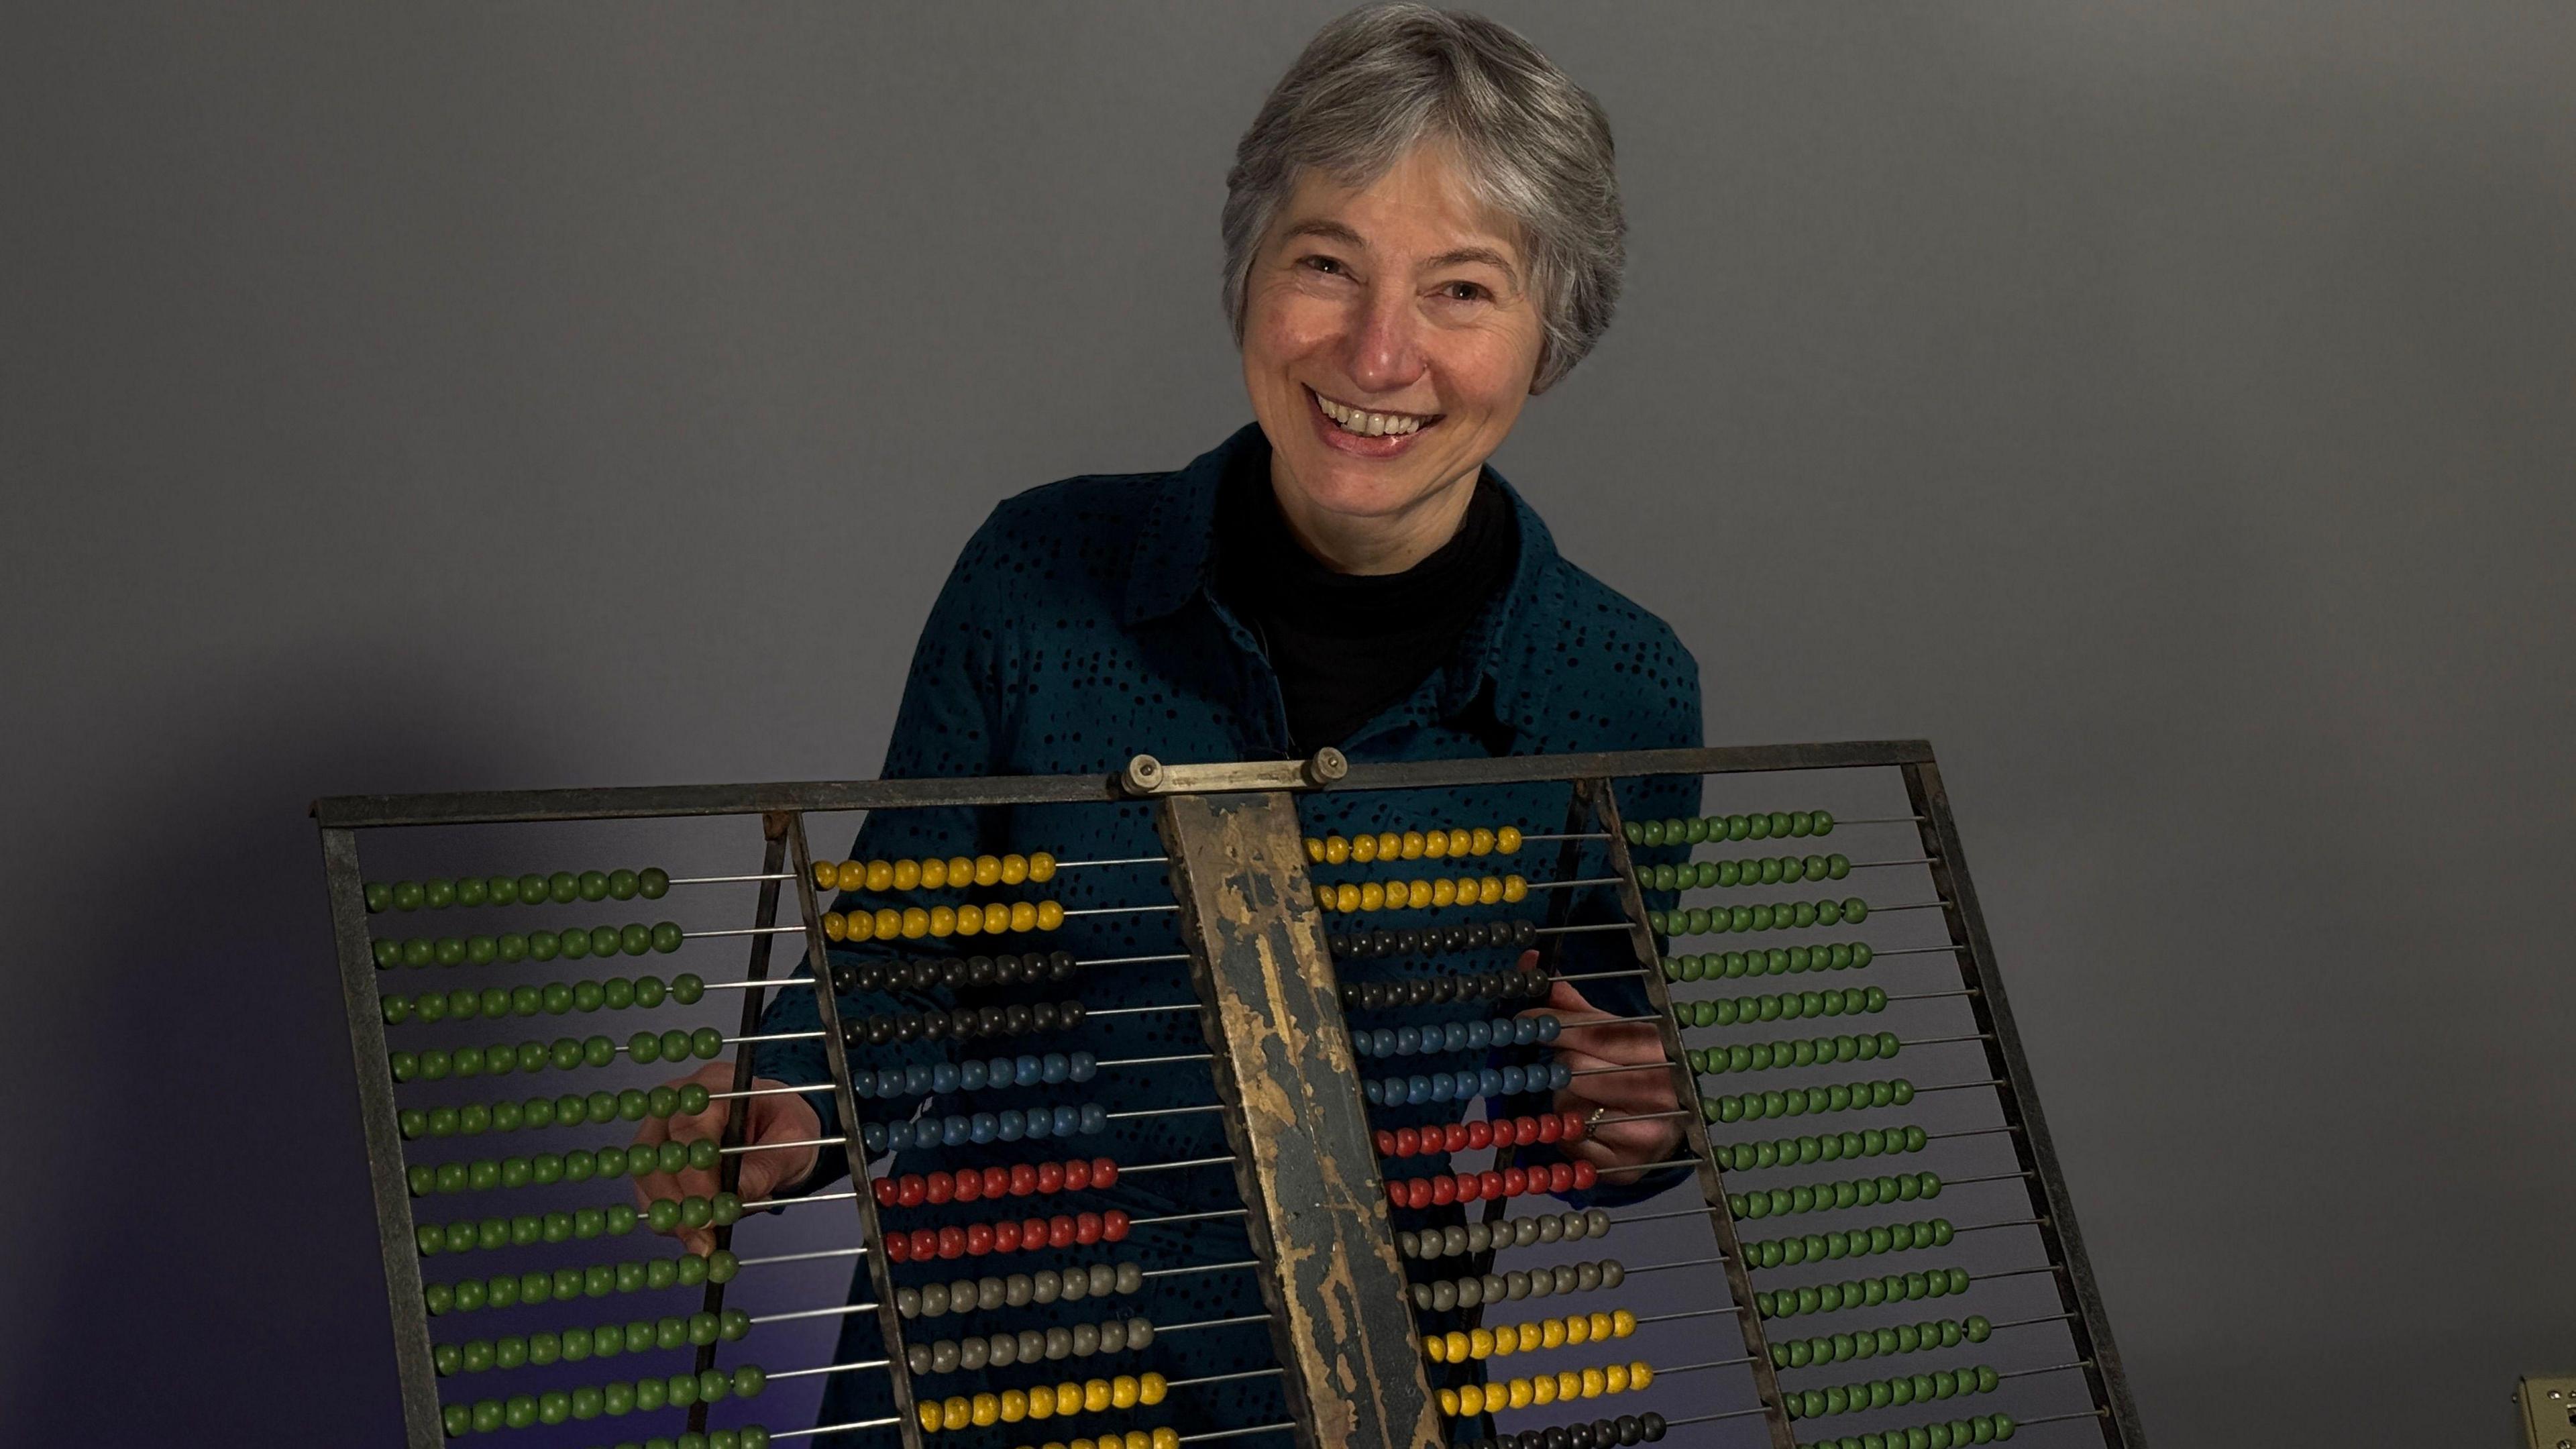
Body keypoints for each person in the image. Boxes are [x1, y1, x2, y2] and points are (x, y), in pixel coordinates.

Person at [634, 7, 1704, 1444]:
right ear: (1247, 277)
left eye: (1462, 290)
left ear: (1550, 338)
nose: (1379, 354)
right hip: (979, 1391)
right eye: (1327, 264)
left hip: (1350, 1407)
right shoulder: (1037, 576)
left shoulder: (1620, 688)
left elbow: (1588, 1081)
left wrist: (1637, 1135)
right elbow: (897, 965)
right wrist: (790, 1104)